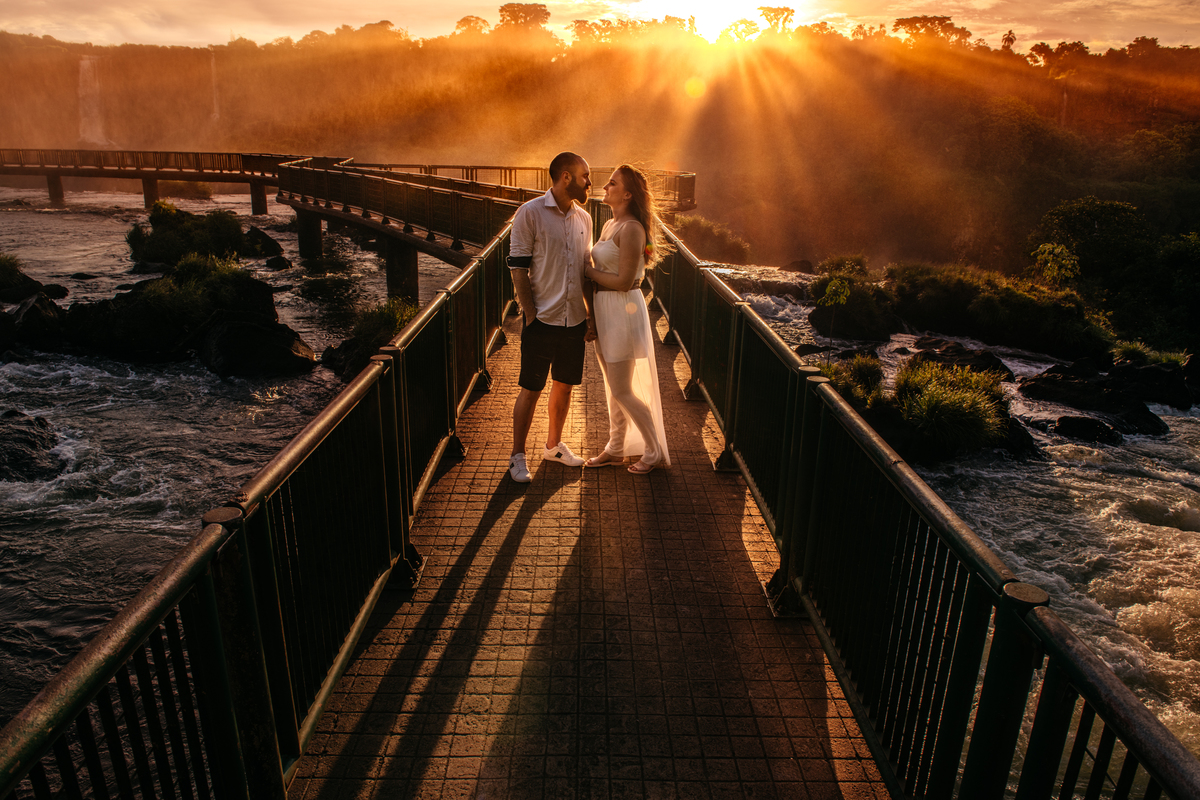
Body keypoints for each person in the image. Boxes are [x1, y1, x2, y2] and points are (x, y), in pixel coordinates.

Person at [507, 152, 594, 483]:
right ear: (566, 177)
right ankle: (517, 456)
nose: (590, 182)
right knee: (530, 388)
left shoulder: (584, 218)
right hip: (542, 319)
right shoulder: (530, 213)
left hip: (574, 320)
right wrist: (530, 315)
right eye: (585, 175)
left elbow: (585, 270)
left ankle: (553, 446)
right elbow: (518, 268)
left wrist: (590, 315)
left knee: (565, 386)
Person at [582, 165, 671, 475]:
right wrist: (592, 318)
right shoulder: (610, 224)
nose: (606, 187)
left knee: (622, 389)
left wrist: (587, 271)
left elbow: (623, 281)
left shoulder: (632, 228)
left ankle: (653, 450)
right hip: (605, 309)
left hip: (623, 309)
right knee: (613, 386)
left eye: (613, 183)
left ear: (628, 194)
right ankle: (616, 448)